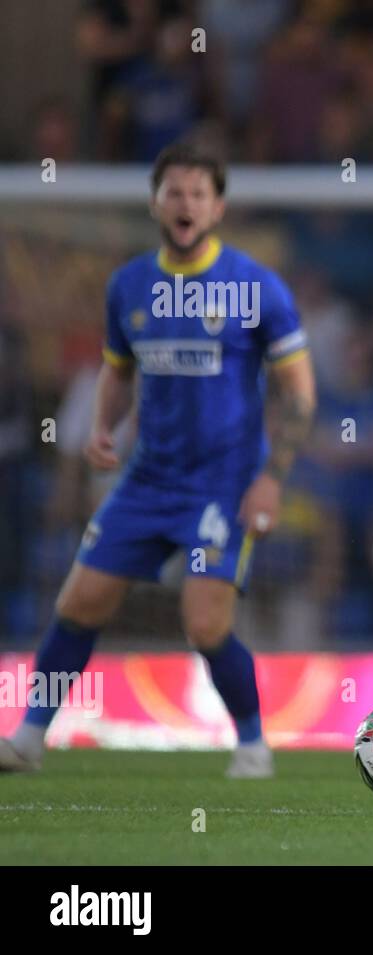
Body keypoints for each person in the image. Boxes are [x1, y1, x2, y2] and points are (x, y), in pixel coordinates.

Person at [0, 141, 316, 778]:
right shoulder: (129, 286)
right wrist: (101, 428)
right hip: (147, 480)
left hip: (222, 488)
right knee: (79, 601)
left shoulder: (256, 287)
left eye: (199, 193)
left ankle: (253, 743)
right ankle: (29, 738)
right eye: (174, 191)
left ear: (218, 206)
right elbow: (118, 373)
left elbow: (301, 394)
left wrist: (270, 479)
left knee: (204, 624)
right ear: (154, 202)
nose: (186, 203)